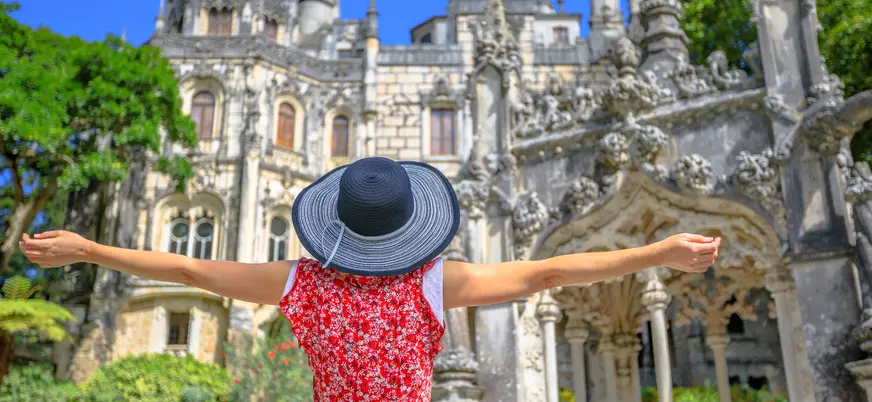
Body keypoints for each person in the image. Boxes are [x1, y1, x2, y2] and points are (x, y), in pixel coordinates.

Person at [19, 157, 720, 401]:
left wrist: (90, 248)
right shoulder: (434, 284)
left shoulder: (297, 284)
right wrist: (653, 252)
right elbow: (551, 269)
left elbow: (184, 266)